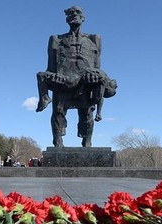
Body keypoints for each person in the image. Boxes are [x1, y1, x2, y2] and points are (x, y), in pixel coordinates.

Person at [36, 6, 117, 147]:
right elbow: (50, 66)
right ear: (66, 19)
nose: (74, 15)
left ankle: (87, 141)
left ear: (83, 18)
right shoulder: (56, 39)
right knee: (58, 111)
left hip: (84, 83)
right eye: (70, 13)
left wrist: (97, 76)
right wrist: (53, 77)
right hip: (63, 81)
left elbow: (97, 67)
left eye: (77, 12)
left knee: (86, 114)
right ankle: (58, 139)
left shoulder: (94, 39)